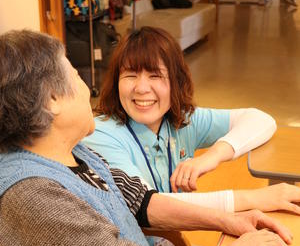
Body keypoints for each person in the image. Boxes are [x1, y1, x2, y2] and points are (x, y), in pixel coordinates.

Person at [0, 30, 294, 246]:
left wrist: (227, 222)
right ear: (52, 100)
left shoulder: (73, 151)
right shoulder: (29, 191)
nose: (86, 88)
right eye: (77, 76)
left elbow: (141, 202)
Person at [85, 27, 300, 225]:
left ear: (176, 82)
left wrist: (211, 157)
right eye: (130, 75)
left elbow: (261, 120)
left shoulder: (179, 120)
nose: (141, 88)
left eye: (155, 76)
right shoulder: (101, 133)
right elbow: (152, 206)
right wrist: (256, 198)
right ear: (116, 82)